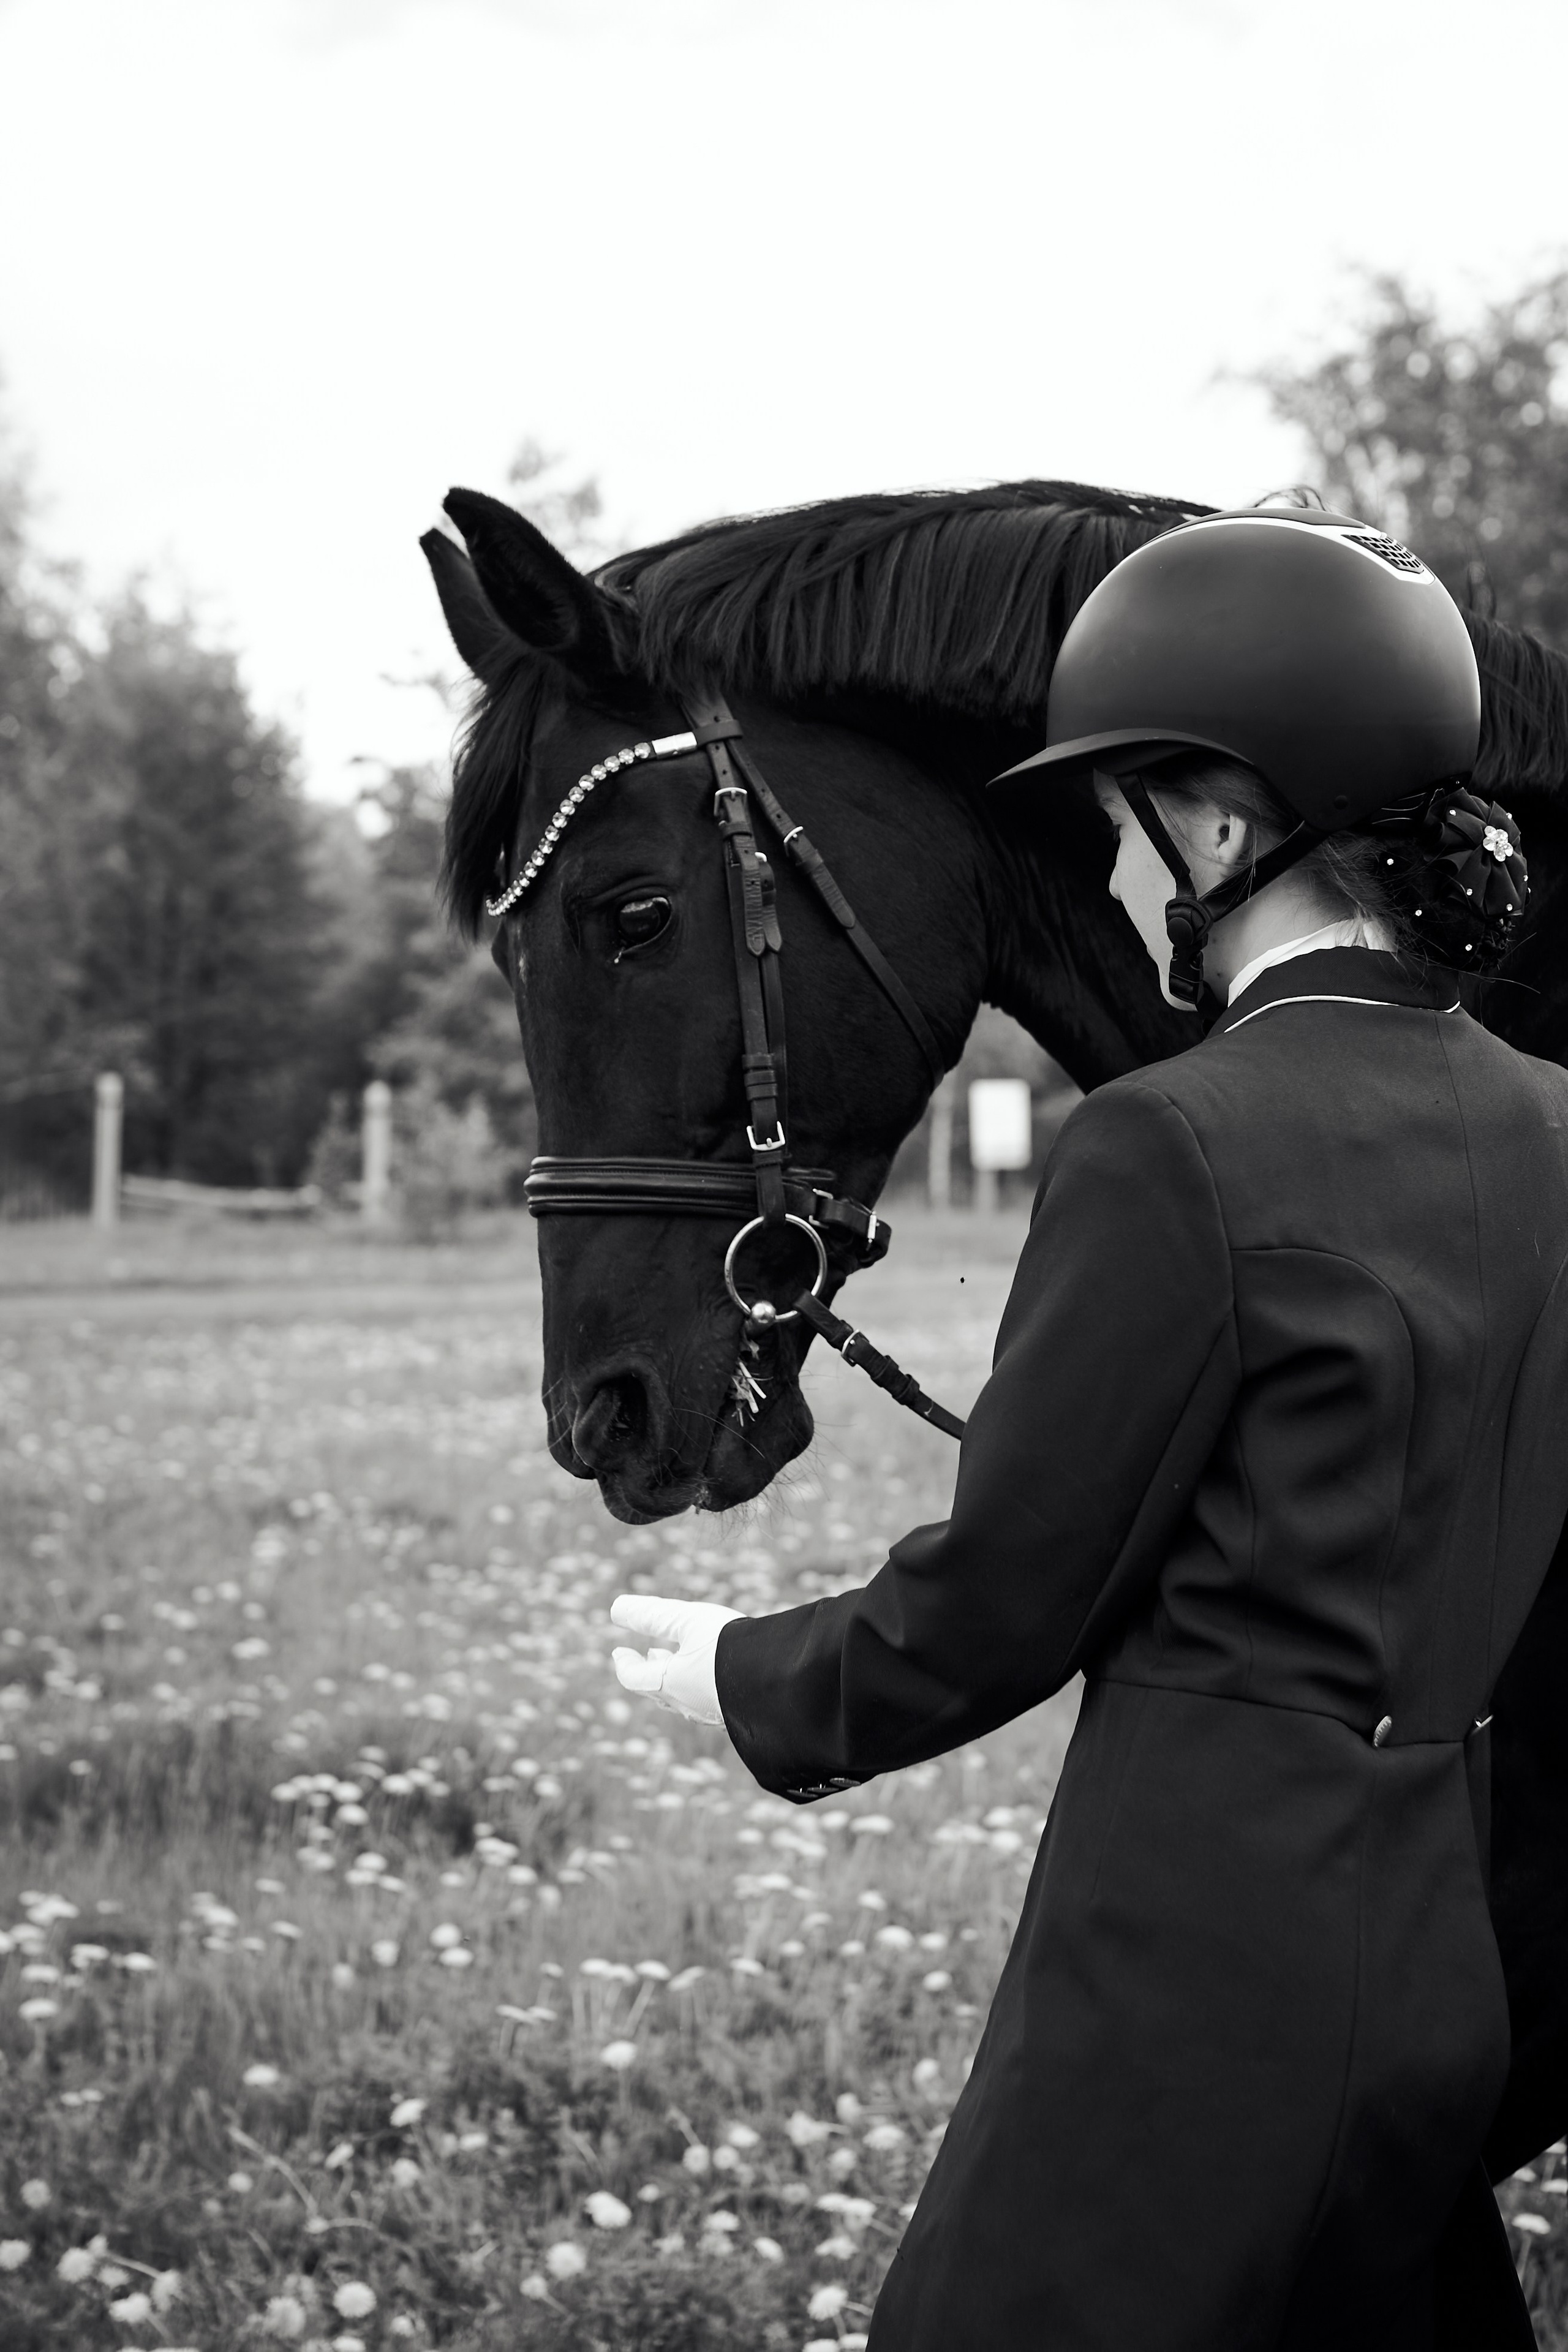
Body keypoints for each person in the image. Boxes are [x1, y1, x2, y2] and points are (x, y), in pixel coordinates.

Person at [608, 500, 1568, 2351]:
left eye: (1112, 825)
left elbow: (1001, 1601)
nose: (1111, 884)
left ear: (1216, 821)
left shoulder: (1168, 1141)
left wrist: (739, 1677)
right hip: (1450, 1974)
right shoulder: (1553, 1124)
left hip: (1196, 1991)